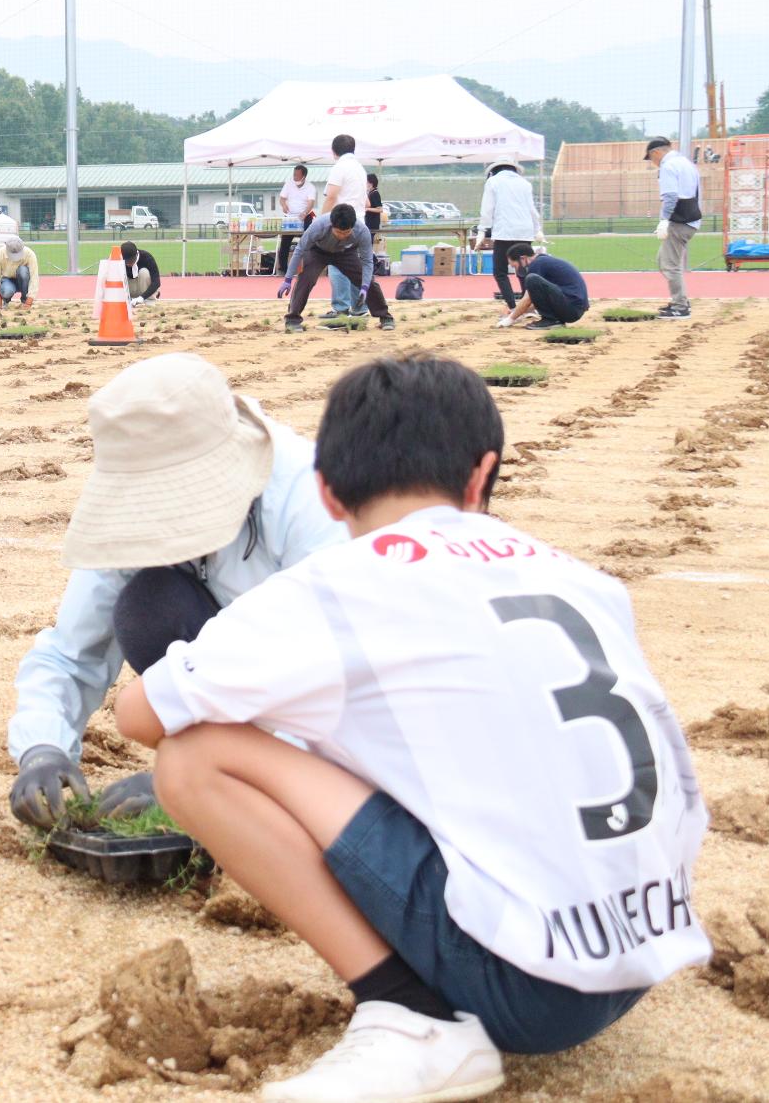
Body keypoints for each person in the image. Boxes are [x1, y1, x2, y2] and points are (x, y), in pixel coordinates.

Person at [112, 354, 707, 1102]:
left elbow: (140, 716)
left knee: (195, 758)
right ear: (482, 474)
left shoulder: (337, 583)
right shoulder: (580, 577)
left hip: (526, 985)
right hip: (645, 950)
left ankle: (410, 1016)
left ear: (326, 491)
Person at [6, 353, 345, 829]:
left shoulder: (309, 497)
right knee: (149, 610)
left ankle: (234, 773)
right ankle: (213, 761)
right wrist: (43, 749)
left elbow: (343, 673)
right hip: (217, 661)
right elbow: (70, 655)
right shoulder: (131, 516)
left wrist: (211, 780)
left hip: (305, 680)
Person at [279, 206, 395, 333]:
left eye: (346, 233)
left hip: (346, 253)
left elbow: (367, 261)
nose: (342, 236)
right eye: (338, 232)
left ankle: (385, 317)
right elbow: (299, 250)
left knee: (367, 280)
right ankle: (292, 319)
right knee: (306, 279)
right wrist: (288, 279)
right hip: (317, 252)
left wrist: (365, 286)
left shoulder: (362, 231)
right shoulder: (319, 225)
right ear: (331, 225)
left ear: (352, 226)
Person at [473, 155, 542, 312]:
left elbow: (487, 209)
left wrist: (482, 231)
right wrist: (537, 229)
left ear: (494, 171)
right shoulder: (525, 183)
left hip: (504, 231)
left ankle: (512, 307)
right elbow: (532, 210)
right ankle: (529, 306)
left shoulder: (493, 182)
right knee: (523, 269)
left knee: (500, 272)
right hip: (525, 231)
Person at [645, 137, 702, 319]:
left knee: (670, 265)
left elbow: (670, 196)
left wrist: (664, 220)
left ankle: (680, 307)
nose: (653, 163)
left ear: (656, 152)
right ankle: (681, 301)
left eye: (651, 158)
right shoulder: (686, 163)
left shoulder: (668, 167)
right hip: (690, 218)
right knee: (664, 261)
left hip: (680, 220)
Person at [496, 243, 588, 329]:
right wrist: (515, 312)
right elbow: (540, 301)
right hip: (574, 308)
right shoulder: (542, 261)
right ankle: (553, 320)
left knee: (531, 279)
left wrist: (509, 319)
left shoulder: (536, 265)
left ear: (523, 258)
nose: (516, 270)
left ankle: (551, 320)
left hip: (571, 308)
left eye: (515, 266)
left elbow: (527, 299)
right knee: (532, 280)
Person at [317, 134, 369, 228]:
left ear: (333, 151)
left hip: (343, 223)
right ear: (353, 149)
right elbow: (367, 203)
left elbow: (331, 197)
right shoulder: (360, 168)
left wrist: (320, 223)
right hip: (360, 223)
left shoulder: (340, 167)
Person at [275, 164, 318, 273]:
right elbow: (282, 198)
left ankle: (308, 268)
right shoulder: (288, 184)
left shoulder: (310, 187)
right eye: (294, 174)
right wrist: (284, 205)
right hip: (290, 217)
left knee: (307, 241)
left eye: (297, 175)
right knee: (285, 242)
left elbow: (311, 202)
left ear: (304, 176)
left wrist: (305, 212)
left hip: (305, 217)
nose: (295, 177)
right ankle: (283, 268)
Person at [0, 235, 39, 307]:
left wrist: (30, 299)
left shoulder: (30, 254)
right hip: (8, 280)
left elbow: (34, 277)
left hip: (24, 281)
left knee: (23, 270)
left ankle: (24, 300)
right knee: (7, 292)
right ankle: (6, 300)